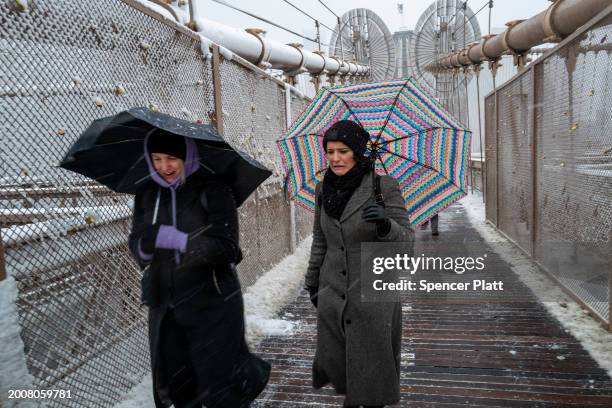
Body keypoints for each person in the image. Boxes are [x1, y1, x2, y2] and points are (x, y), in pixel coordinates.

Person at [128, 129, 270, 408]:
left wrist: (181, 240)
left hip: (212, 302)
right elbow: (137, 245)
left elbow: (228, 248)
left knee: (220, 383)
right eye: (156, 158)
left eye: (171, 158)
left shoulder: (213, 188)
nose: (163, 167)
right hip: (166, 306)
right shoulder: (147, 192)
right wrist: (149, 241)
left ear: (186, 156)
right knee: (179, 385)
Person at [305, 120, 414, 407]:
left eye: (343, 151)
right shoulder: (322, 189)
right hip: (333, 294)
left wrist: (384, 224)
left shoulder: (383, 187)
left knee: (372, 379)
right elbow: (321, 239)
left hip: (372, 295)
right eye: (330, 152)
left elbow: (407, 242)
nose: (335, 158)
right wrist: (313, 281)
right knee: (347, 373)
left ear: (357, 152)